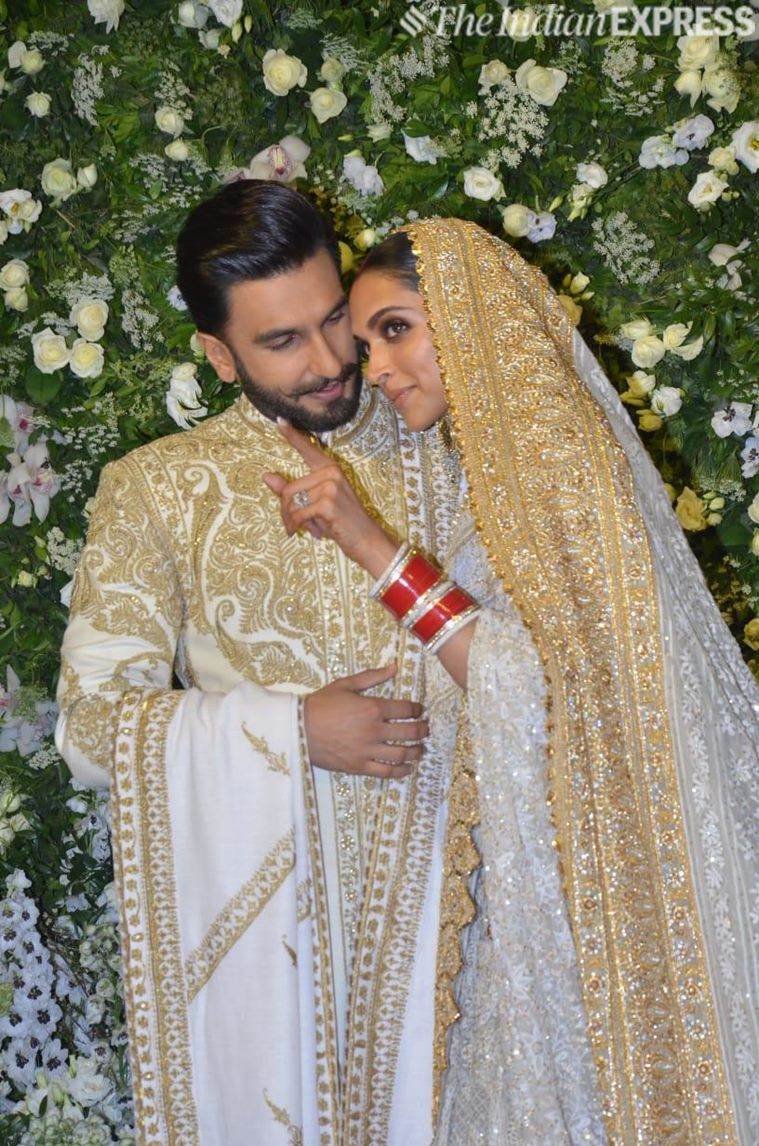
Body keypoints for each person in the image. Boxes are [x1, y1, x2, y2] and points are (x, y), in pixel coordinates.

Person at [264, 216, 759, 1144]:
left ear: (475, 321)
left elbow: (541, 685)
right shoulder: (498, 475)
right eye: (366, 343)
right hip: (555, 877)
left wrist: (366, 544)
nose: (378, 366)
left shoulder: (559, 473)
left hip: (605, 886)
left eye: (397, 328)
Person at [53, 182, 474, 1144]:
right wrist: (289, 731)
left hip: (474, 921)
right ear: (217, 353)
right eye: (283, 342)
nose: (331, 365)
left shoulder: (452, 445)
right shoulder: (158, 489)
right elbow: (84, 729)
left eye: (335, 320)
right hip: (289, 957)